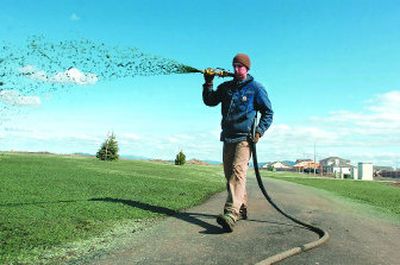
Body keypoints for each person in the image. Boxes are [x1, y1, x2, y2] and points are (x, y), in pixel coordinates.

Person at [202, 53, 273, 232]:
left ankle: (231, 213)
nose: (236, 69)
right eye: (234, 66)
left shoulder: (256, 88)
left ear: (247, 68)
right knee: (230, 176)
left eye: (240, 66)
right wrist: (208, 83)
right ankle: (241, 208)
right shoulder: (226, 87)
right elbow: (210, 101)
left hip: (245, 139)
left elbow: (268, 113)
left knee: (237, 172)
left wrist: (259, 131)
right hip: (227, 137)